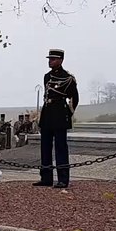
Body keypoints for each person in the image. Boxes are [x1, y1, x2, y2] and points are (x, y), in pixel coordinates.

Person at [34, 48, 79, 189]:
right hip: (47, 114)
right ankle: (46, 177)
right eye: (49, 59)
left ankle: (63, 179)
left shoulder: (68, 78)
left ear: (60, 60)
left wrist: (68, 114)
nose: (50, 61)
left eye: (53, 59)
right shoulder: (47, 76)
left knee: (60, 148)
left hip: (60, 114)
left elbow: (74, 98)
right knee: (45, 147)